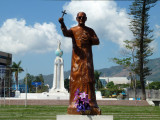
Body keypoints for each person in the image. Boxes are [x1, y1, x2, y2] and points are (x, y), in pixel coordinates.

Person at [59, 12, 101, 115]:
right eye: (79, 17)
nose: (81, 19)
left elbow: (97, 41)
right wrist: (62, 23)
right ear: (77, 18)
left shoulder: (90, 30)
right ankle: (75, 103)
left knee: (89, 80)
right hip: (76, 61)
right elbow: (66, 33)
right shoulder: (73, 30)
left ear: (86, 18)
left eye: (83, 17)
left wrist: (90, 39)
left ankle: (90, 103)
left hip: (87, 60)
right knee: (76, 80)